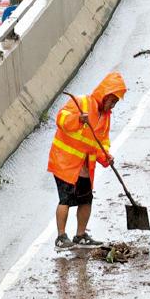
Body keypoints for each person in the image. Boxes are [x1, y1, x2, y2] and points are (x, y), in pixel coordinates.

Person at [47, 72, 127, 250]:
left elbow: (101, 142)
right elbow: (61, 118)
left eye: (115, 102)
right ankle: (61, 237)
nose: (113, 105)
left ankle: (80, 235)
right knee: (65, 200)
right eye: (112, 101)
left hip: (84, 166)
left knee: (86, 200)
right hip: (65, 163)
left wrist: (106, 156)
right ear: (105, 95)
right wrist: (77, 119)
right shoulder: (82, 103)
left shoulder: (105, 118)